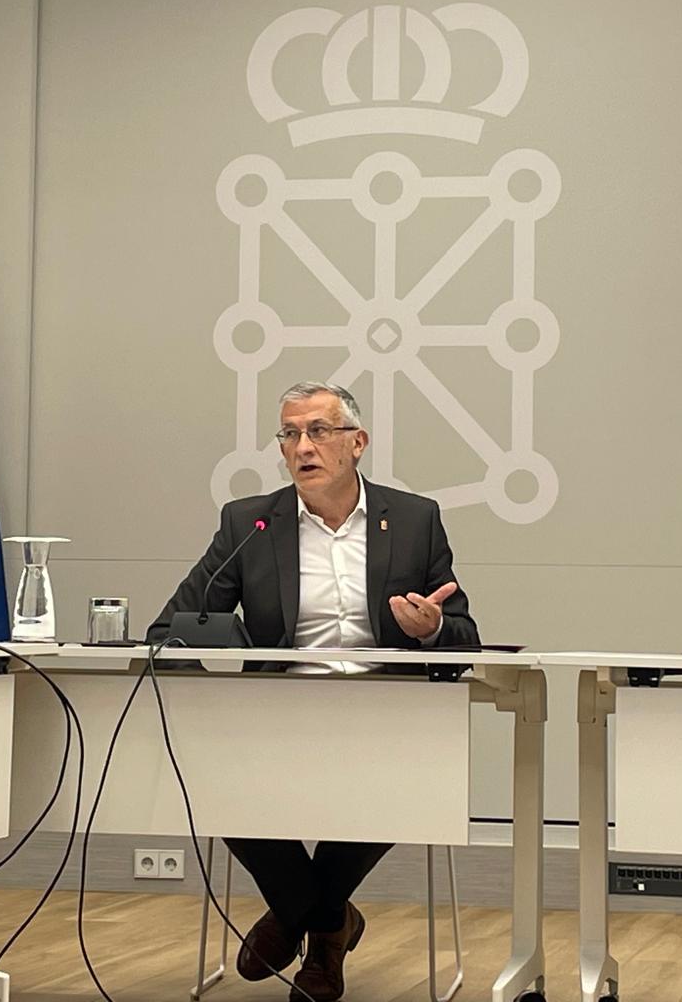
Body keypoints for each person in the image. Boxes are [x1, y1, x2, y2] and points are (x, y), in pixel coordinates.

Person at [149, 381, 479, 1002]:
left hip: (385, 714)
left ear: (357, 443)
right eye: (289, 434)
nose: (302, 446)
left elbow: (465, 633)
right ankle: (329, 922)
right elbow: (171, 627)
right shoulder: (249, 522)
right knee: (213, 774)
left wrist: (432, 627)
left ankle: (299, 916)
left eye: (318, 431)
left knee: (401, 772)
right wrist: (231, 643)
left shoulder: (414, 519)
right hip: (279, 713)